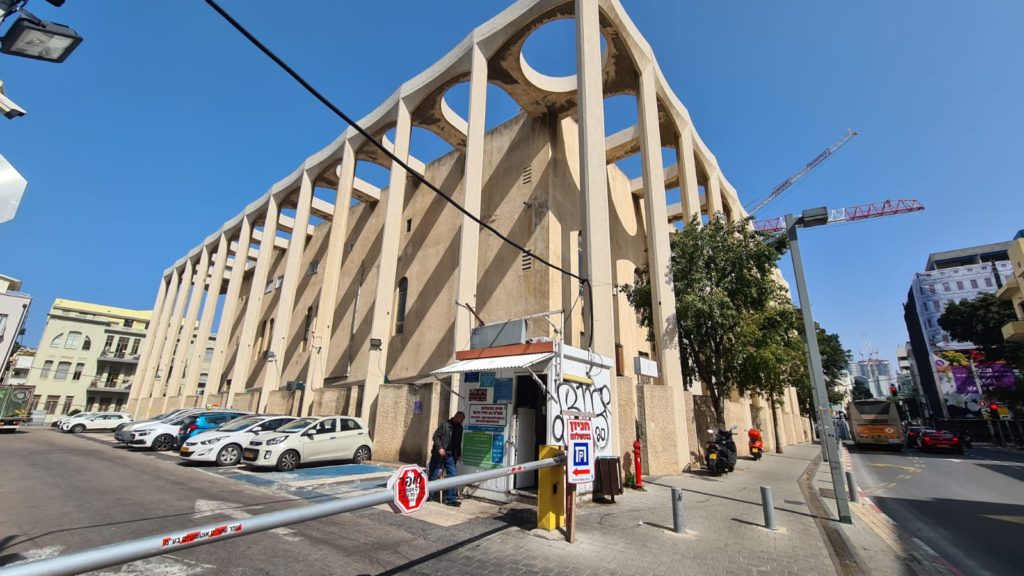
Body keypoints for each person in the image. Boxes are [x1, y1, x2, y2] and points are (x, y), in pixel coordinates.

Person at [428, 411, 465, 506]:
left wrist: (459, 455)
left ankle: (451, 499)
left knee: (453, 475)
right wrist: (439, 448)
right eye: (461, 419)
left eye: (462, 420)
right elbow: (435, 436)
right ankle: (429, 495)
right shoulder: (444, 424)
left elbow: (458, 443)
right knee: (433, 474)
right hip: (438, 454)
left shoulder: (460, 428)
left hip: (450, 455)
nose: (462, 422)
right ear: (456, 417)